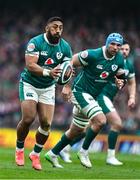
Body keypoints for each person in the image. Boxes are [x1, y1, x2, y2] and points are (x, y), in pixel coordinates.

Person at [44, 32, 125, 168]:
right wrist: (67, 86)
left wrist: (120, 83)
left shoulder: (119, 60)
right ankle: (84, 151)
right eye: (112, 44)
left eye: (118, 45)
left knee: (77, 131)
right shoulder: (92, 54)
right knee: (100, 121)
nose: (115, 47)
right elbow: (70, 63)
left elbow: (120, 76)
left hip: (93, 96)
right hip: (80, 91)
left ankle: (53, 153)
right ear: (106, 43)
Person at [59, 41, 136, 166]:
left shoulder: (128, 66)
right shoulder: (111, 60)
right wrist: (67, 84)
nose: (124, 51)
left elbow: (132, 82)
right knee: (116, 123)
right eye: (122, 49)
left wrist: (132, 96)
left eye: (127, 49)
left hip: (108, 97)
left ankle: (64, 148)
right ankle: (109, 156)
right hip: (101, 96)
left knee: (85, 128)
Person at [15, 16, 72, 170]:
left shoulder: (65, 47)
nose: (58, 30)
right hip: (30, 84)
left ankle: (35, 154)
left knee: (46, 123)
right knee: (28, 118)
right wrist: (49, 72)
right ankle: (19, 150)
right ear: (47, 28)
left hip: (48, 87)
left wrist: (66, 86)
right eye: (54, 27)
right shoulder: (36, 42)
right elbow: (30, 65)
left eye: (60, 27)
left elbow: (68, 70)